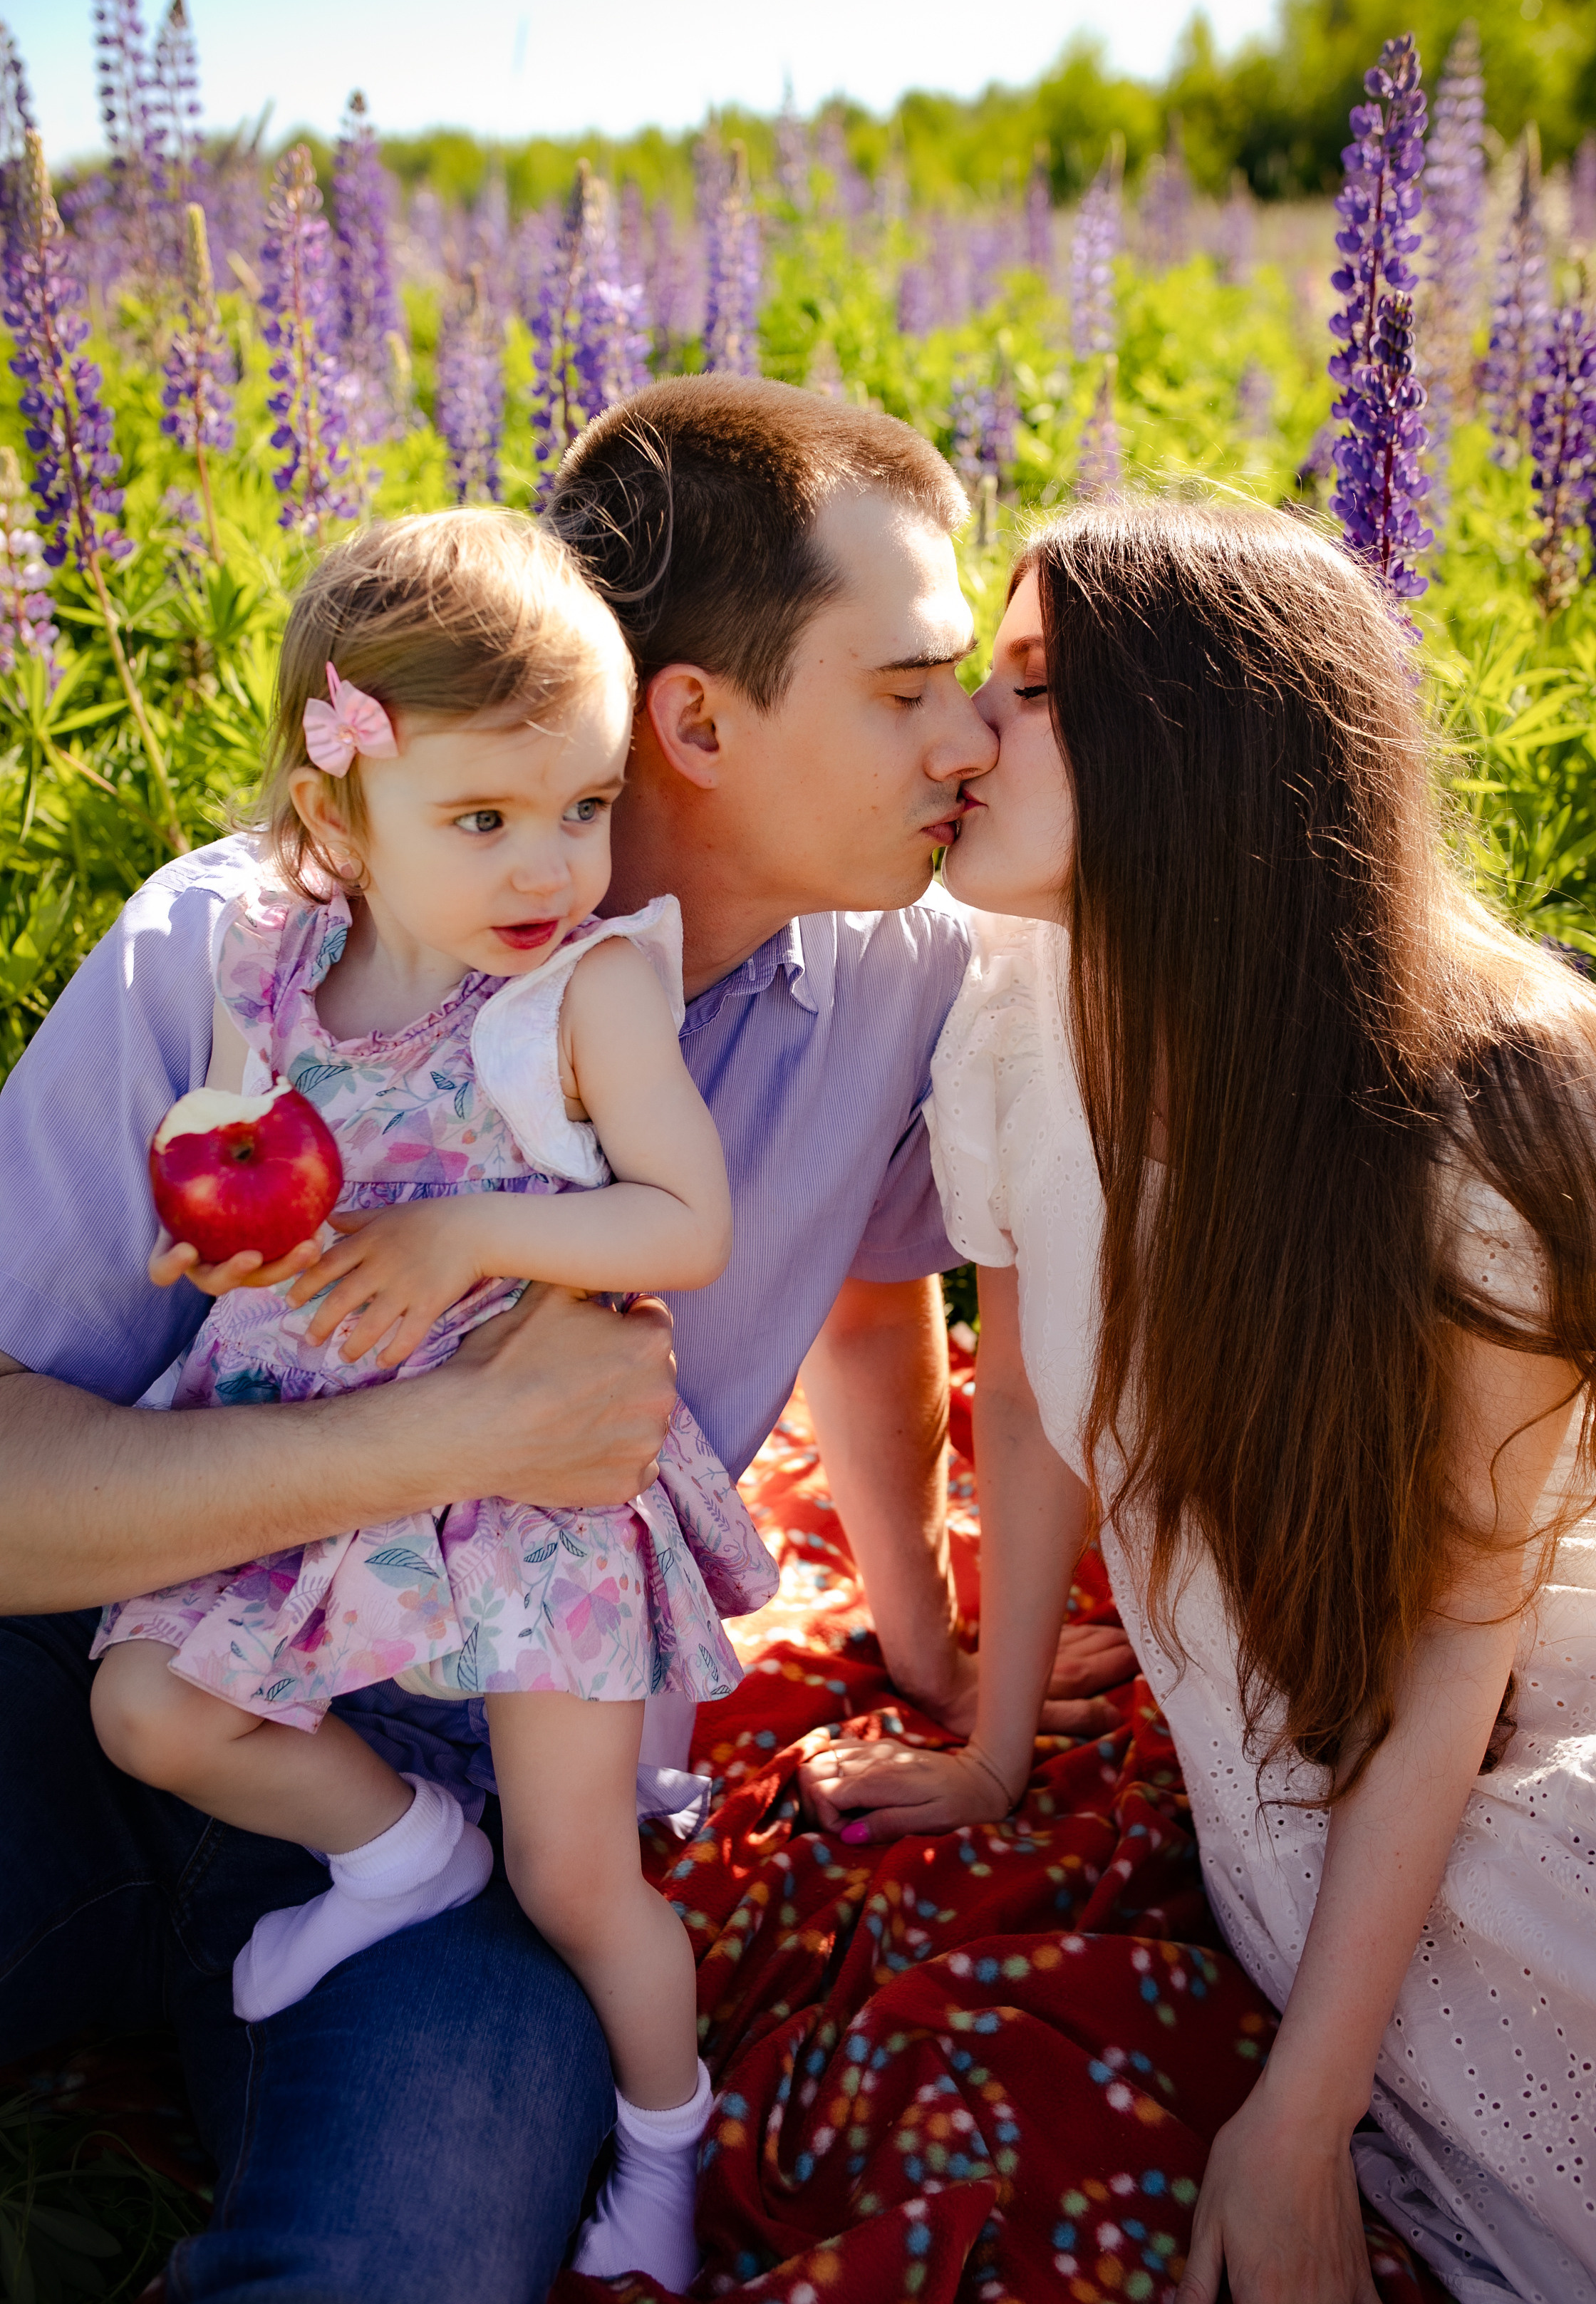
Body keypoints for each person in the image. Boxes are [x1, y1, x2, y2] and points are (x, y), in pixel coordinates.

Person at [2, 376, 1104, 2303]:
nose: (970, 737)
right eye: (908, 682)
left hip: (485, 1782)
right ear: (696, 720)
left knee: (396, 2260)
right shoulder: (241, 957)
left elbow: (867, 1277)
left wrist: (919, 1608)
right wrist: (465, 1434)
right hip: (103, 1658)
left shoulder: (895, 976)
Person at [807, 501, 1596, 2304]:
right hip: (1285, 1804)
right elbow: (1014, 1391)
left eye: (1025, 691)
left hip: (1491, 1777)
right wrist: (996, 1746)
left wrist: (1293, 2121)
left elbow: (1450, 1671)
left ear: (1198, 744)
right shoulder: (1020, 1001)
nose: (959, 739)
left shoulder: (1494, 1114)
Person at [84, 509, 779, 2290]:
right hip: (331, 1478)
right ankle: (392, 1852)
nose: (550, 860)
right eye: (483, 819)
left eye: (582, 804)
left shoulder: (582, 995)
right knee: (147, 1709)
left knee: (573, 1877)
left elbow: (685, 1222)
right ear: (340, 815)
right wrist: (225, 1259)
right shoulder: (271, 983)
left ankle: (662, 2143)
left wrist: (467, 1221)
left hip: (535, 1506)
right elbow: (264, 1183)